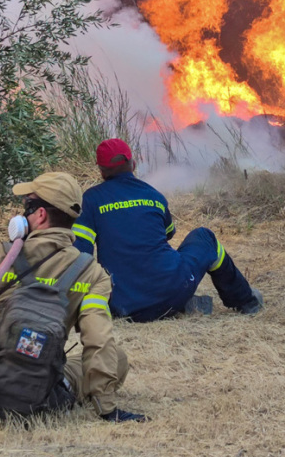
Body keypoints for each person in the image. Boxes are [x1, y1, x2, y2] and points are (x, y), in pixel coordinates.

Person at [0, 172, 145, 423]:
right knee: (117, 358)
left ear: (40, 215)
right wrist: (107, 407)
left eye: (27, 206)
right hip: (38, 388)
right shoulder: (91, 273)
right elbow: (98, 340)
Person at [71, 138, 263, 322]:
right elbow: (169, 233)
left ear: (101, 171)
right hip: (173, 292)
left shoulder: (90, 200)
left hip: (122, 303)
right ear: (133, 164)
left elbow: (79, 254)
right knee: (205, 237)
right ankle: (246, 301)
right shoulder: (154, 196)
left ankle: (180, 304)